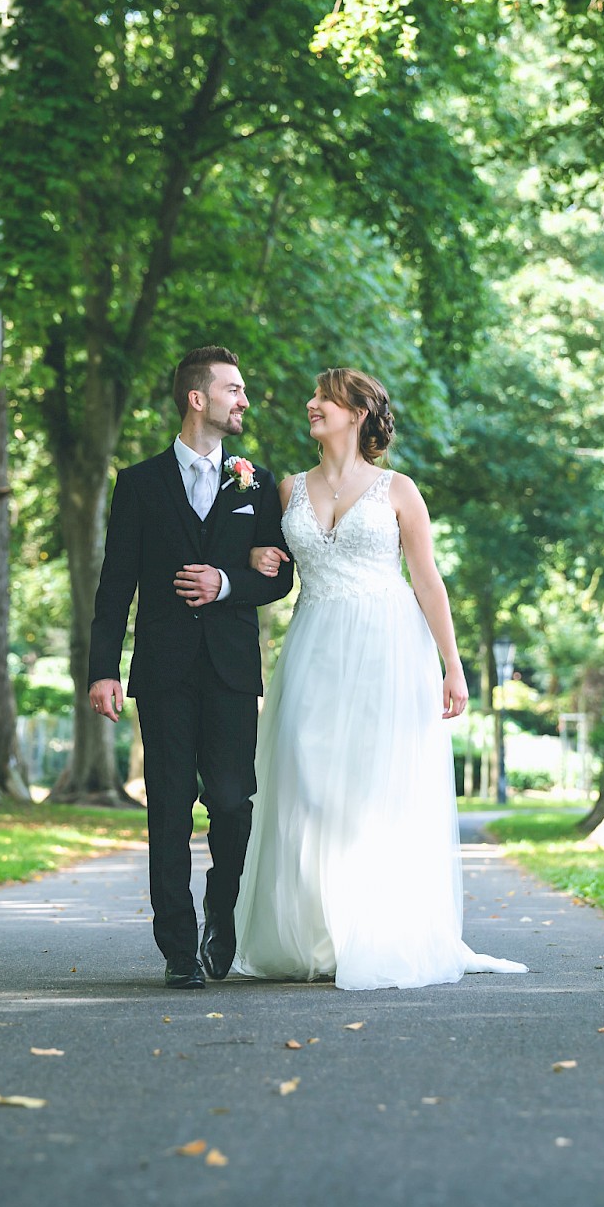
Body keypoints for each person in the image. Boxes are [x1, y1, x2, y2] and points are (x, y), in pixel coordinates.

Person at [233, 368, 528, 990]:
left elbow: (427, 580)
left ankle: (373, 934)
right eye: (314, 397)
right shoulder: (286, 489)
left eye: (326, 398)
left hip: (387, 646)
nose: (312, 405)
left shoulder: (398, 490)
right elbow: (264, 560)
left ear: (359, 412)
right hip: (314, 642)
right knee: (305, 781)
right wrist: (252, 558)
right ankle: (313, 934)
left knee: (374, 787)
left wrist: (453, 665)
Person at [88, 347, 293, 989]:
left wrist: (228, 581)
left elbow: (279, 577)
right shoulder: (140, 484)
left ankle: (221, 922)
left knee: (233, 804)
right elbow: (115, 583)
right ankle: (177, 946)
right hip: (165, 671)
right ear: (197, 399)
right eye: (234, 389)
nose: (244, 400)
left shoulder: (257, 484)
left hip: (232, 672)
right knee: (169, 811)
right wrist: (103, 669)